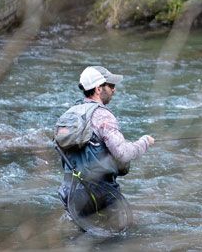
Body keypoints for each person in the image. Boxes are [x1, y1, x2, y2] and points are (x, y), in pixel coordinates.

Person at [57, 65, 154, 224]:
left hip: (71, 194)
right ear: (98, 89)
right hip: (101, 194)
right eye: (110, 85)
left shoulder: (69, 114)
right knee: (122, 238)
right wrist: (144, 142)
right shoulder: (103, 116)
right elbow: (122, 153)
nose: (114, 90)